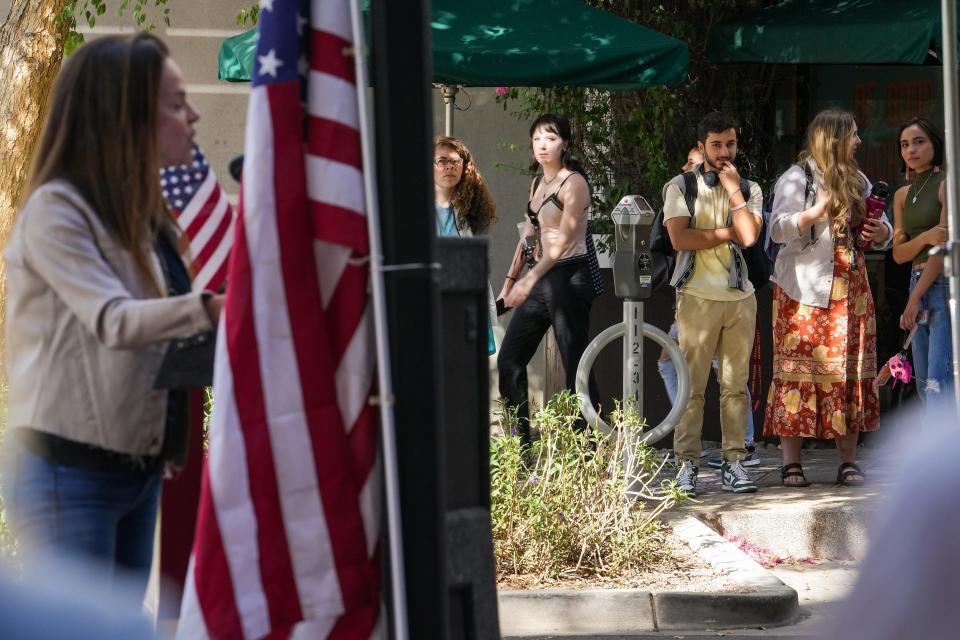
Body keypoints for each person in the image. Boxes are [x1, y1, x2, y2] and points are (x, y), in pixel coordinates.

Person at [2, 33, 222, 599]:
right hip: (67, 475)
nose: (193, 113)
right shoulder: (59, 212)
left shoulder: (143, 215)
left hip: (137, 472)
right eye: (175, 103)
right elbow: (116, 321)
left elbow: (164, 339)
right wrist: (213, 307)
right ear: (125, 118)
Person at [764, 109, 891, 487]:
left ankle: (847, 460)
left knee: (848, 371)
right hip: (804, 290)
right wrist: (816, 211)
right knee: (796, 371)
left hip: (851, 290)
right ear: (833, 139)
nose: (858, 142)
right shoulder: (797, 177)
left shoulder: (858, 179)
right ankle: (791, 463)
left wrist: (879, 230)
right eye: (852, 135)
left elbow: (883, 229)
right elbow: (777, 228)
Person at [663, 112, 763, 496]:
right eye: (717, 144)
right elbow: (680, 239)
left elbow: (751, 236)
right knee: (692, 387)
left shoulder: (749, 187)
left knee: (735, 387)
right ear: (701, 146)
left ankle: (734, 462)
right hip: (697, 297)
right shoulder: (681, 185)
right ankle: (687, 464)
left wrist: (734, 191)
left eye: (731, 144)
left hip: (740, 298)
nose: (724, 151)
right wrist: (727, 233)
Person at [498, 113, 600, 448]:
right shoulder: (537, 184)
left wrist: (529, 282)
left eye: (552, 138)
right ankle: (520, 446)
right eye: (538, 138)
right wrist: (510, 281)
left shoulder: (575, 183)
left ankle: (591, 448)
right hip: (542, 276)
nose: (543, 145)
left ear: (565, 144)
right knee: (510, 358)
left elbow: (561, 243)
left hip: (570, 274)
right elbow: (529, 234)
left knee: (575, 361)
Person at [891, 117, 953, 409]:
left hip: (941, 283)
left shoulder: (947, 185)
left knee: (939, 383)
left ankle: (946, 453)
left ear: (935, 145)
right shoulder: (902, 194)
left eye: (919, 142)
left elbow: (942, 249)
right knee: (924, 383)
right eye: (905, 144)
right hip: (916, 280)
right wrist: (926, 236)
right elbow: (898, 254)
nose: (911, 150)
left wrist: (915, 298)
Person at [434, 135, 499, 354]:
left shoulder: (473, 211)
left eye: (455, 161)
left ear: (464, 166)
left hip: (464, 300)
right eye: (442, 161)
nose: (448, 167)